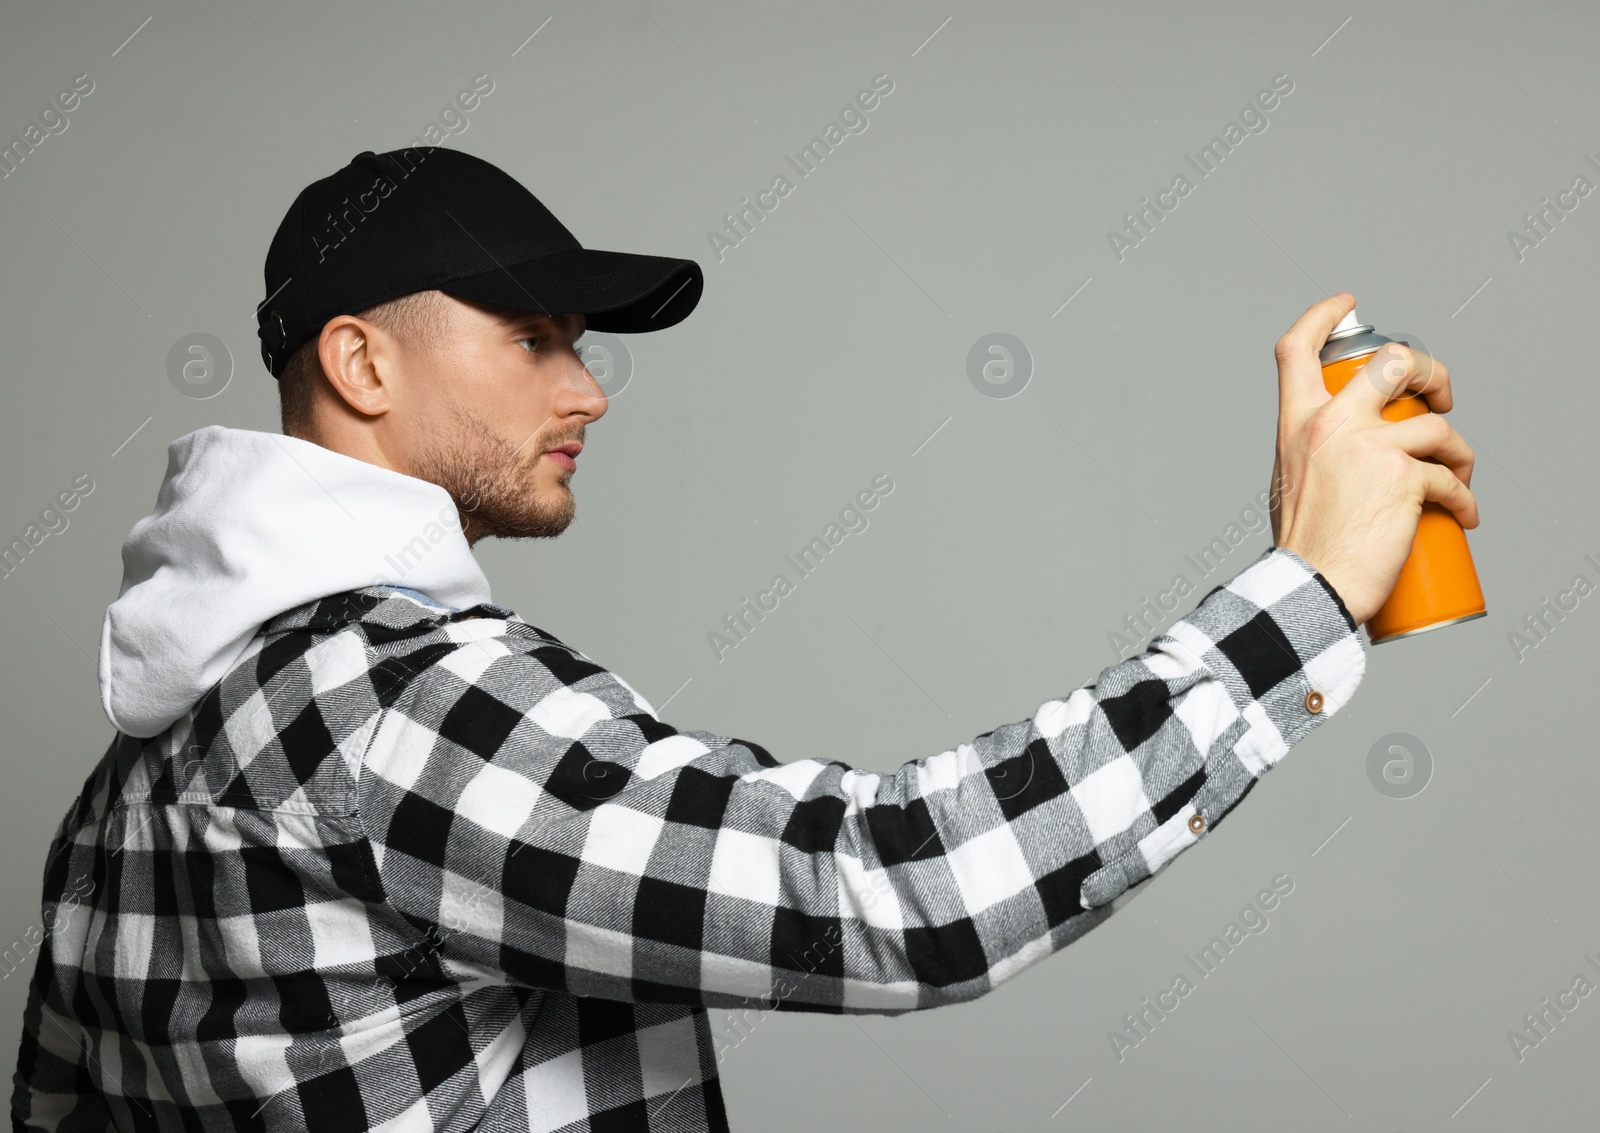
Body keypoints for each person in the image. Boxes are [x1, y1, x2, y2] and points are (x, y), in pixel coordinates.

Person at [10, 146, 1477, 1132]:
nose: (586, 388)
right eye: (535, 336)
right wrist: (1307, 593)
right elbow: (898, 890)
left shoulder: (133, 774)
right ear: (361, 360)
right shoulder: (398, 709)